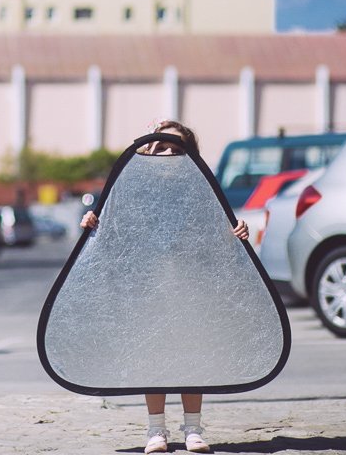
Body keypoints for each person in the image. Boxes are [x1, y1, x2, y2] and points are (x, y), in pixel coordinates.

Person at [80, 120, 249, 455]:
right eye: (162, 145)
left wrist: (238, 230)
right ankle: (156, 430)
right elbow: (114, 229)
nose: (169, 152)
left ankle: (193, 429)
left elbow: (217, 227)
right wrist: (91, 223)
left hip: (190, 281)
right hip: (147, 284)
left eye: (177, 148)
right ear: (149, 149)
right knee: (152, 354)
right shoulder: (131, 185)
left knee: (191, 353)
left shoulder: (198, 186)